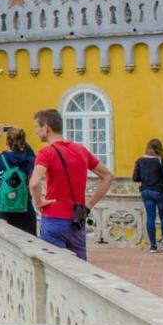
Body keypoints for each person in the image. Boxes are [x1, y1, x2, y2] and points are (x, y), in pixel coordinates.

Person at [29, 109, 115, 260]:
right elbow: (108, 176)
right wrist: (89, 204)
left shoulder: (46, 153)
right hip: (77, 219)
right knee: (80, 268)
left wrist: (39, 202)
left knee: (54, 268)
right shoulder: (81, 150)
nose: (36, 131)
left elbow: (34, 183)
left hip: (54, 218)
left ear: (46, 127)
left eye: (37, 127)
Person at [0, 124, 39, 236]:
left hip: (2, 212)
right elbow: (32, 155)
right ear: (22, 142)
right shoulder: (28, 160)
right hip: (25, 211)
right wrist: (21, 138)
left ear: (6, 143)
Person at [132, 138, 163, 253]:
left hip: (146, 192)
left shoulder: (140, 160)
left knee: (150, 217)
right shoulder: (160, 160)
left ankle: (153, 246)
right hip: (159, 192)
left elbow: (135, 178)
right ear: (159, 149)